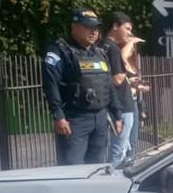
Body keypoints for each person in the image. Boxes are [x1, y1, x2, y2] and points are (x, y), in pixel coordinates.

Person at [43, 9, 124, 165]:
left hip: (100, 118)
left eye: (96, 28)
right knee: (72, 169)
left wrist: (117, 114)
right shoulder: (60, 50)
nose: (93, 32)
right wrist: (58, 116)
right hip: (75, 119)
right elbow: (50, 85)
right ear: (74, 27)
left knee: (96, 167)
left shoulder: (100, 53)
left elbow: (109, 85)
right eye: (88, 27)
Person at [103, 12, 137, 164]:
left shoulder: (100, 46)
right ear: (115, 26)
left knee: (118, 145)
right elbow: (117, 79)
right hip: (122, 104)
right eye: (127, 28)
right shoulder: (113, 49)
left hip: (112, 103)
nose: (130, 33)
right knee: (120, 147)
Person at [122, 37, 149, 156]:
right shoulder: (120, 58)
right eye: (132, 45)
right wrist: (131, 41)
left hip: (134, 100)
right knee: (123, 140)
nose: (133, 48)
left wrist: (139, 86)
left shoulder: (133, 61)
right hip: (124, 101)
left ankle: (131, 161)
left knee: (133, 137)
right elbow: (122, 56)